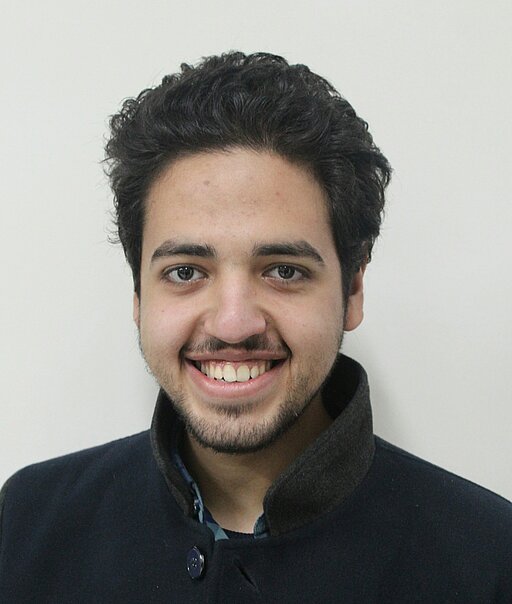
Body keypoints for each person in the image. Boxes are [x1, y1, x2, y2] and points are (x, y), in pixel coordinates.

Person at [0, 51, 510, 603]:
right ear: (138, 295)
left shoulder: (490, 560)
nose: (233, 324)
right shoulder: (26, 524)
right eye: (186, 272)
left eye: (284, 271)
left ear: (353, 290)